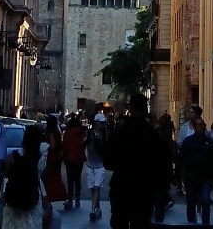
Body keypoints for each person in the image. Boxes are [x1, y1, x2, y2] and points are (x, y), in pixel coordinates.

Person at [104, 92, 169, 229]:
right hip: (144, 190)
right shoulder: (153, 136)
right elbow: (162, 166)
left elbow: (108, 162)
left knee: (119, 223)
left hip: (121, 187)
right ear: (145, 109)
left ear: (131, 108)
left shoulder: (119, 132)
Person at [1, 124, 48, 229]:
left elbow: (6, 175)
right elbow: (41, 179)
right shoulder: (42, 159)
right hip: (32, 199)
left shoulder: (13, 156)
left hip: (13, 200)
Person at [177, 116, 213, 224]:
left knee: (205, 201)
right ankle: (191, 223)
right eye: (199, 125)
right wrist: (180, 177)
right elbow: (180, 159)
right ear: (195, 127)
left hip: (205, 177)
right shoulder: (188, 142)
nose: (202, 127)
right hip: (191, 177)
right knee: (191, 202)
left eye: (203, 125)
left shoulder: (209, 143)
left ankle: (205, 223)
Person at [85, 113, 108, 221]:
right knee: (92, 189)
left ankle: (93, 209)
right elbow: (83, 144)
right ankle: (97, 207)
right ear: (96, 123)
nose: (104, 124)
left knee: (96, 187)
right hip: (90, 165)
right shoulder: (89, 133)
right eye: (102, 122)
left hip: (100, 166)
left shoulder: (106, 134)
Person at [176, 106, 203, 193]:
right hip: (187, 158)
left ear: (197, 115)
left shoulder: (202, 127)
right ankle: (181, 186)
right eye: (189, 112)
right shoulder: (184, 127)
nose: (189, 114)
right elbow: (179, 142)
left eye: (192, 112)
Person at [42, 113, 68, 203]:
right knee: (56, 177)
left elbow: (52, 146)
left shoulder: (51, 132)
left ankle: (51, 196)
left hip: (52, 156)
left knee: (50, 177)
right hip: (57, 156)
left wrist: (45, 145)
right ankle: (59, 195)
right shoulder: (57, 131)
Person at [62, 113, 86, 210]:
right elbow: (84, 145)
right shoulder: (81, 133)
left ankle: (70, 199)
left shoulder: (67, 133)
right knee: (77, 179)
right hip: (79, 158)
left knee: (70, 179)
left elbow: (65, 146)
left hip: (69, 159)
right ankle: (78, 200)